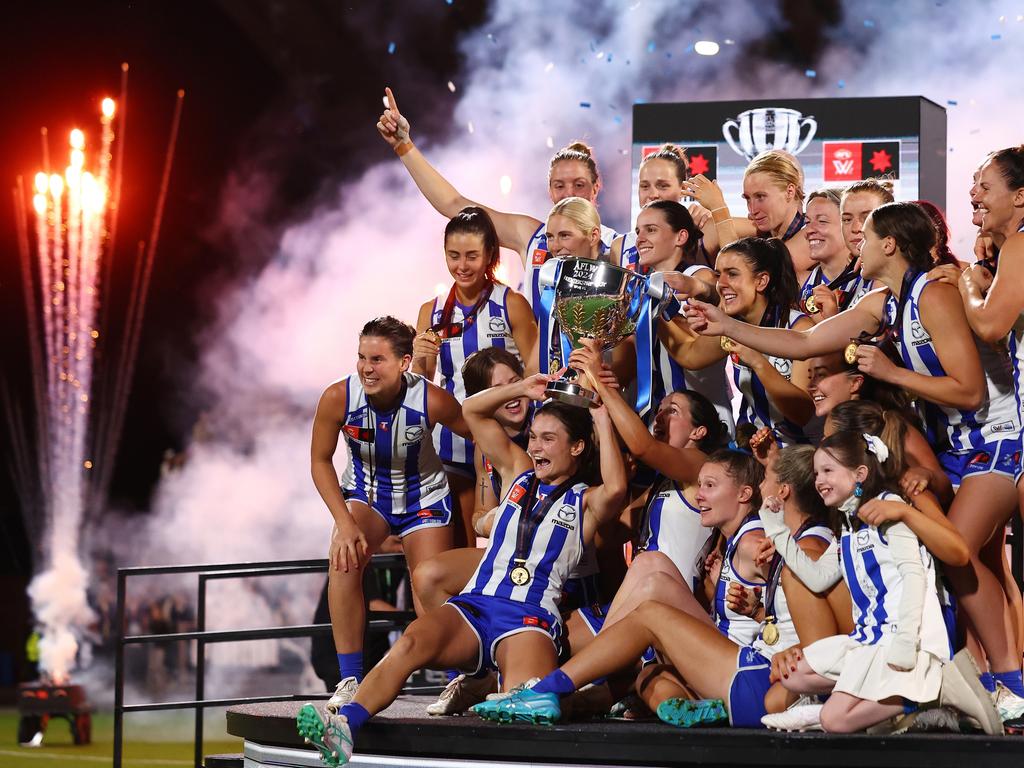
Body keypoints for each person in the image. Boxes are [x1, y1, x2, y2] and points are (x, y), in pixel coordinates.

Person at [685, 200, 1024, 719]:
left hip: (996, 438)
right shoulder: (884, 300)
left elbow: (970, 390)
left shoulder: (934, 293)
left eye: (862, 236)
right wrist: (724, 327)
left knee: (957, 555)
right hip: (958, 447)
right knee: (975, 566)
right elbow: (802, 341)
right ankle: (983, 680)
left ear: (890, 245)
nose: (854, 244)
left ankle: (1007, 683)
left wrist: (890, 373)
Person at [297, 372, 627, 767]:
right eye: (534, 436)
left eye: (548, 439)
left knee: (525, 710)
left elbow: (618, 489)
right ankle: (345, 727)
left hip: (529, 620)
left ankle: (577, 699)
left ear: (576, 447)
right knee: (411, 643)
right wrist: (522, 388)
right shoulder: (518, 474)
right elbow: (472, 410)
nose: (536, 446)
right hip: (476, 607)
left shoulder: (586, 501)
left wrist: (602, 417)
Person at [473, 450, 801, 729]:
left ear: (745, 494)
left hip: (747, 674)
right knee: (650, 580)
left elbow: (801, 604)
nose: (699, 494)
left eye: (710, 486)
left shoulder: (755, 543)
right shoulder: (736, 541)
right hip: (728, 664)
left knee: (649, 616)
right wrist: (757, 610)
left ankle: (551, 690)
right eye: (699, 485)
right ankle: (655, 700)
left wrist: (763, 606)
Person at [757, 431, 1001, 735]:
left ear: (860, 473)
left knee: (835, 721)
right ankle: (885, 707)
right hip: (868, 640)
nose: (819, 480)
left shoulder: (889, 508)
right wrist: (776, 529)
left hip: (901, 640)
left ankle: (935, 690)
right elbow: (817, 579)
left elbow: (915, 578)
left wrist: (905, 643)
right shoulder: (848, 521)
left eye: (828, 471)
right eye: (817, 473)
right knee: (794, 676)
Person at [310, 316, 470, 714]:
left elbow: (481, 434)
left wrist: (484, 495)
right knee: (343, 560)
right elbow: (319, 460)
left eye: (378, 359)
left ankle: (457, 681)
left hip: (425, 498)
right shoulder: (338, 397)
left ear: (403, 363)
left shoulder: (431, 399)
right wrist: (344, 524)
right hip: (368, 496)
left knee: (428, 584)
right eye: (362, 357)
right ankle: (350, 679)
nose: (366, 367)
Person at [412, 207, 536, 547]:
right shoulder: (431, 311)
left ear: (490, 255)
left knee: (512, 541)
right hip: (452, 446)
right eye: (453, 256)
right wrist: (419, 361)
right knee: (462, 542)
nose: (461, 266)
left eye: (471, 256)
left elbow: (535, 371)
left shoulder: (511, 304)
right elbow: (421, 386)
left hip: (506, 440)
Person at [661, 237, 815, 446]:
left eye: (732, 274)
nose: (721, 284)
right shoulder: (732, 326)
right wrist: (654, 309)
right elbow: (689, 356)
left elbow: (802, 414)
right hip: (750, 449)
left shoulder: (799, 328)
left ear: (761, 281)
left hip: (799, 454)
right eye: (718, 274)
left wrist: (758, 361)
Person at [798, 189, 872, 322]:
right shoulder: (798, 286)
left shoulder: (871, 280)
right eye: (807, 222)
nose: (809, 230)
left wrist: (833, 317)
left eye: (822, 221)